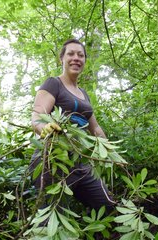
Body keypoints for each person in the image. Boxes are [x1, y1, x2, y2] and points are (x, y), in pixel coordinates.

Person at [30, 39, 116, 211]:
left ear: (84, 61)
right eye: (71, 54)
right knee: (53, 213)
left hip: (80, 163)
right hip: (53, 161)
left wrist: (111, 152)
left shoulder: (83, 93)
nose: (76, 58)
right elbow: (37, 116)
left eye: (81, 55)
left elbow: (95, 128)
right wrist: (45, 128)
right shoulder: (53, 83)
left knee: (107, 205)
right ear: (61, 58)